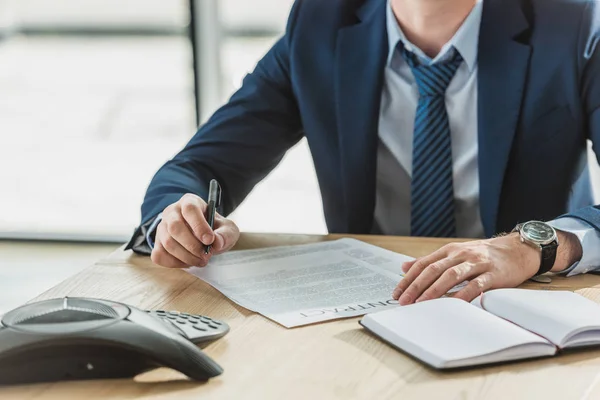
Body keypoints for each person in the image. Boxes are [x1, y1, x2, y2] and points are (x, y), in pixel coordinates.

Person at [127, 0, 600, 306]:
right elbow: (197, 167)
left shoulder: (573, 22)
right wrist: (177, 221)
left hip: (528, 303)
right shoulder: (322, 22)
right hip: (371, 307)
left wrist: (530, 247)